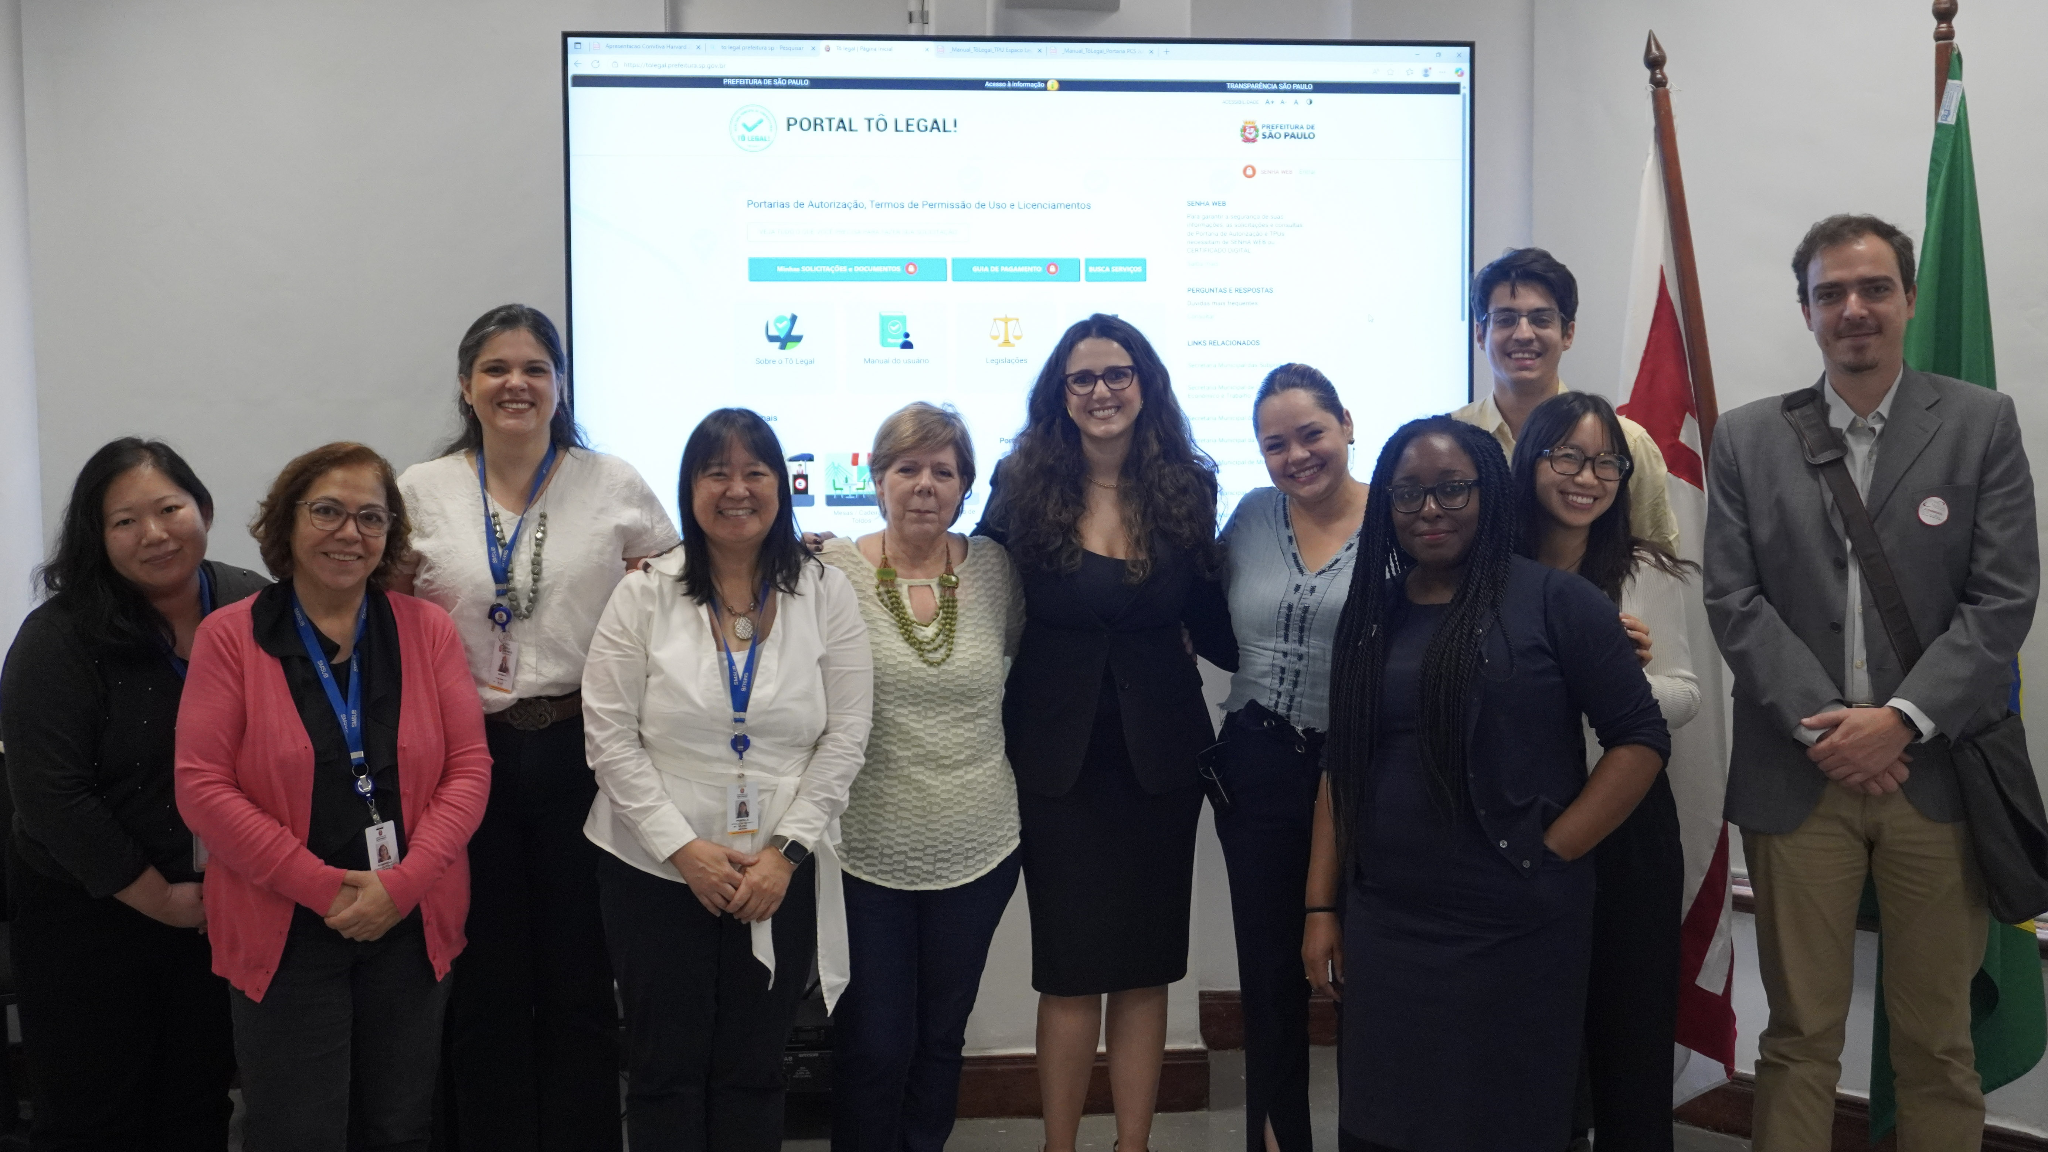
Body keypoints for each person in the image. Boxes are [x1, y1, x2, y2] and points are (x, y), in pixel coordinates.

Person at [1704, 215, 2037, 1151]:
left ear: (1909, 299)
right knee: (1799, 1038)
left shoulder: (1980, 424)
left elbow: (2003, 597)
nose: (1854, 310)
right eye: (1831, 293)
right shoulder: (1745, 438)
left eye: (1874, 289)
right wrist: (1831, 731)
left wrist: (1899, 720)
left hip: (1933, 781)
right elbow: (1734, 601)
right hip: (1794, 781)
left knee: (1937, 1041)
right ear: (1806, 309)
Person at [1303, 417, 1669, 1152]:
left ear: (1489, 493)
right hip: (1390, 921)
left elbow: (1640, 739)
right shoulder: (1373, 614)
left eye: (1451, 489)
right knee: (1385, 1122)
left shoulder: (1554, 602)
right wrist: (1320, 904)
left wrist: (1557, 848)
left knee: (1501, 1120)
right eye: (1408, 494)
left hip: (1517, 921)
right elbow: (1342, 764)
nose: (1428, 509)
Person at [396, 303, 678, 1152]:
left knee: (581, 977)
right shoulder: (421, 489)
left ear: (559, 385)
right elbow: (385, 608)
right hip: (463, 754)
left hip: (581, 749)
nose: (515, 384)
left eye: (534, 369)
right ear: (465, 385)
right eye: (495, 369)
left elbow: (675, 593)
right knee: (480, 975)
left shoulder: (614, 482)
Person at [174, 442, 493, 1152]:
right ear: (287, 523)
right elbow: (202, 787)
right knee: (295, 1131)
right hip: (283, 926)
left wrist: (402, 886)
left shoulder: (426, 629)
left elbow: (469, 770)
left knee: (398, 1127)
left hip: (409, 921)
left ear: (389, 538)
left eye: (370, 518)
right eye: (327, 512)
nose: (349, 533)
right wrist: (323, 889)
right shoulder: (230, 637)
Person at [975, 313, 1237, 1152]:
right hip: (1057, 764)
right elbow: (967, 588)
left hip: (1161, 764)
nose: (1101, 391)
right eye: (1082, 378)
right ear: (1060, 392)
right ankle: (1060, 1146)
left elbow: (1213, 616)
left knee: (1148, 965)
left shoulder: (1187, 488)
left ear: (1144, 383)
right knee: (1069, 968)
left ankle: (1133, 1145)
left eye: (1117, 374)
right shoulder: (1020, 486)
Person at [581, 408, 873, 1152]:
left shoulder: (825, 592)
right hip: (650, 862)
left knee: (753, 1066)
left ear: (782, 485)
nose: (736, 489)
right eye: (717, 472)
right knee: (662, 1067)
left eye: (755, 472)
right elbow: (610, 739)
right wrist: (684, 849)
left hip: (779, 863)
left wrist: (786, 853)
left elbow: (846, 735)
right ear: (690, 488)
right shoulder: (645, 593)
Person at [0, 439, 267, 1150]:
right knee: (95, 1115)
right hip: (90, 912)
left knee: (200, 1100)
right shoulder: (58, 638)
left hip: (220, 906)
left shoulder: (251, 604)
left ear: (203, 509)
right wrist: (162, 898)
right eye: (124, 521)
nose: (154, 534)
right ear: (96, 536)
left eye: (169, 508)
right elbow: (52, 797)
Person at [816, 402, 1025, 1152]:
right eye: (907, 468)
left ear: (965, 485)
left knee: (941, 1036)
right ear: (877, 479)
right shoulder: (833, 568)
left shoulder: (995, 570)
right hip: (867, 850)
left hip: (979, 846)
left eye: (944, 471)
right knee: (875, 1043)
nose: (925, 485)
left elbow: (1029, 662)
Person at [1510, 391, 1700, 1152]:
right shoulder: (1491, 569)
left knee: (1630, 1032)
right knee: (1531, 1034)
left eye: (1605, 463)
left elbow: (1684, 695)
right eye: (1568, 457)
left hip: (1628, 827)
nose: (1586, 477)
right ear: (1531, 464)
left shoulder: (1648, 569)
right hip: (1523, 821)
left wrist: (1616, 680)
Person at [1213, 364, 1368, 1152]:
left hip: (1370, 775)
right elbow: (1194, 607)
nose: (1296, 456)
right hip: (1260, 769)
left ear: (1346, 423)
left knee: (1369, 974)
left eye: (1311, 433)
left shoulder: (1402, 518)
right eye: (1275, 445)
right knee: (1270, 979)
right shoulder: (1247, 517)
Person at [1452, 247, 1681, 555]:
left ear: (1568, 334)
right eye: (1505, 319)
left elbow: (1656, 565)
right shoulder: (1449, 440)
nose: (1523, 334)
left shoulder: (1628, 443)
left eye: (1541, 319)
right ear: (1480, 334)